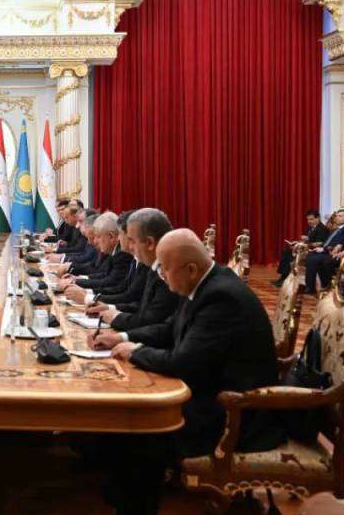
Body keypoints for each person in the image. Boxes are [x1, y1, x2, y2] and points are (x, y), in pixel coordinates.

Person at [103, 229, 284, 514]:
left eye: (165, 269)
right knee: (128, 422)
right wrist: (123, 338)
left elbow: (182, 362)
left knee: (136, 428)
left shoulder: (221, 297)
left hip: (235, 416)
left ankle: (132, 505)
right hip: (216, 393)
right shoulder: (205, 283)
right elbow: (169, 329)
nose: (160, 275)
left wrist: (136, 352)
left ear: (190, 268)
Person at [86, 208, 180, 347]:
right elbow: (143, 307)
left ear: (149, 243)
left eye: (132, 241)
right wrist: (121, 336)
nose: (130, 247)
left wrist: (117, 321)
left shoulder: (168, 271)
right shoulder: (153, 266)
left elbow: (154, 320)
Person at [272, 210, 329, 287]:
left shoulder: (322, 229)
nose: (309, 221)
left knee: (291, 255)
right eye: (308, 219)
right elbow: (305, 241)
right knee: (286, 252)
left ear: (318, 218)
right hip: (305, 248)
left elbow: (320, 243)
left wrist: (307, 240)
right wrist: (297, 243)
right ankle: (283, 277)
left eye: (311, 219)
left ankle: (285, 279)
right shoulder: (310, 228)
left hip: (313, 251)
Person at [304, 209, 344, 295]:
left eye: (340, 216)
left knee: (314, 259)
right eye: (337, 216)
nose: (337, 218)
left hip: (334, 252)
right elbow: (327, 242)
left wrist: (324, 249)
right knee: (310, 256)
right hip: (326, 250)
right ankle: (320, 285)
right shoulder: (335, 229)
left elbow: (342, 243)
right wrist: (321, 247)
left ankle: (315, 286)